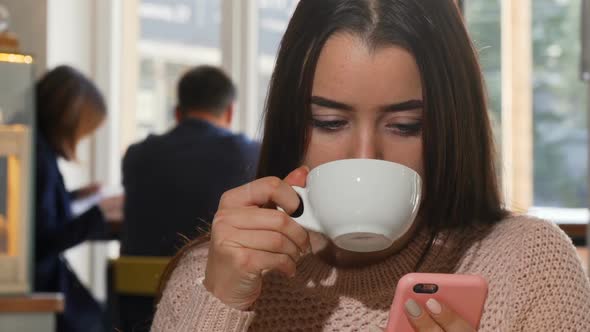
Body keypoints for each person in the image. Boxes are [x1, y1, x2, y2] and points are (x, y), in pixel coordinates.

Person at [151, 0, 590, 331]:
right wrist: (218, 304)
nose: (364, 154)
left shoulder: (529, 264)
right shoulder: (216, 275)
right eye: (330, 122)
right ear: (291, 123)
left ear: (451, 127)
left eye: (405, 125)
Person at [118, 66, 259, 330]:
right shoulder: (250, 155)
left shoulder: (137, 155)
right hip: (208, 293)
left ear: (177, 112)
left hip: (133, 303)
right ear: (230, 112)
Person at [35, 65, 121, 332]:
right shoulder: (39, 159)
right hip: (41, 283)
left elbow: (38, 209)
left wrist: (75, 196)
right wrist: (99, 213)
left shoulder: (39, 151)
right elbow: (44, 239)